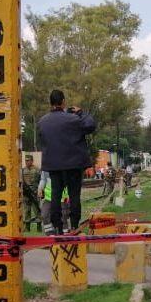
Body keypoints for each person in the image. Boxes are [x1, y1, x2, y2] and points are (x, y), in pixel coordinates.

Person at [37, 89, 97, 234]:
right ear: (63, 102)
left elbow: (43, 140)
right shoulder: (73, 119)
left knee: (56, 196)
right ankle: (74, 225)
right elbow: (90, 125)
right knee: (74, 195)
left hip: (54, 165)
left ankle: (57, 226)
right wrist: (81, 112)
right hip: (73, 164)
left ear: (50, 102)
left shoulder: (42, 122)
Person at [21, 154, 43, 233]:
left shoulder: (37, 170)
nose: (27, 162)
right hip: (26, 194)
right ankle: (27, 227)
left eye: (28, 160)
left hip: (35, 193)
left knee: (36, 210)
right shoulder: (23, 170)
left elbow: (41, 180)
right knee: (27, 210)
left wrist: (40, 191)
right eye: (26, 161)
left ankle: (39, 227)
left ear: (32, 161)